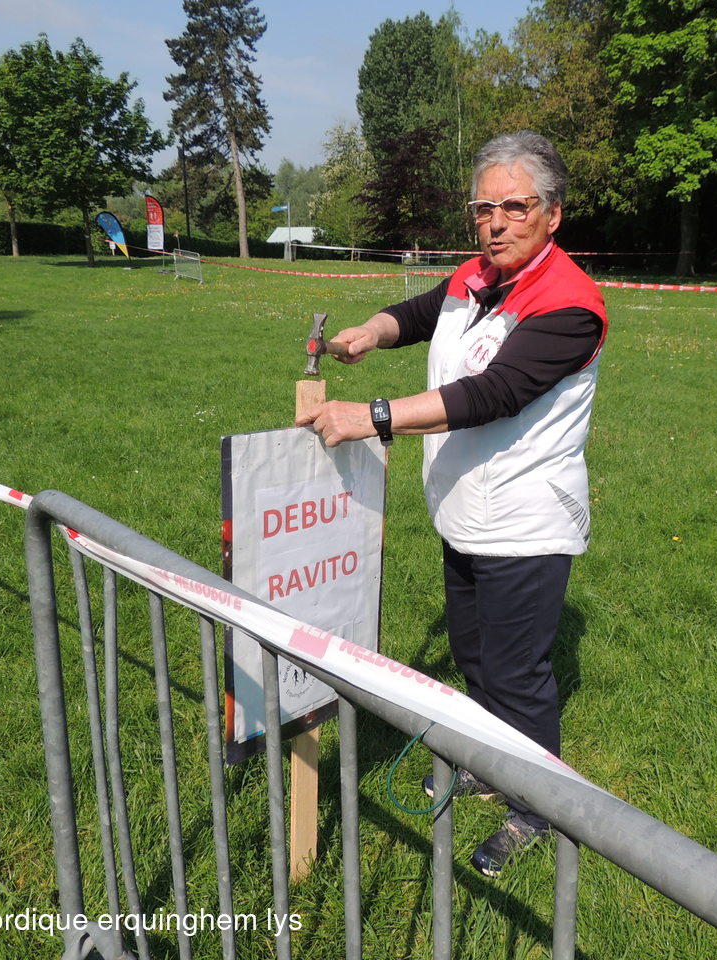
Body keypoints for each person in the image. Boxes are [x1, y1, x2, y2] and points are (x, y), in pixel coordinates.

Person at [296, 130, 607, 877]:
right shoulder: (475, 277)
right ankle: (486, 765)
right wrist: (372, 332)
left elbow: (492, 394)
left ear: (553, 214)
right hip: (465, 510)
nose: (495, 224)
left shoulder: (570, 304)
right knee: (474, 656)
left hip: (525, 522)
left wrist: (370, 416)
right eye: (483, 209)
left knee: (517, 673)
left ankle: (538, 807)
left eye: (515, 207)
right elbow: (422, 311)